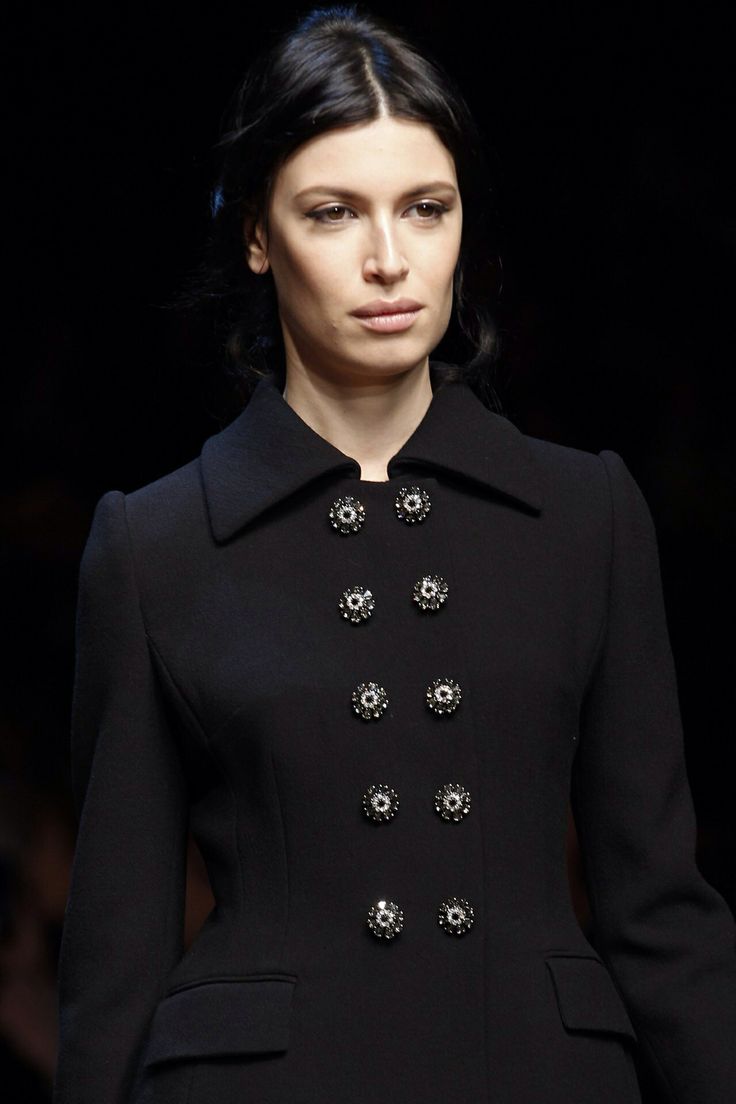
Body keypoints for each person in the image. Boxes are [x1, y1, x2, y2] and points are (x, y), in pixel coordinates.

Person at [52, 6, 736, 1103]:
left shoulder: (584, 517)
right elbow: (113, 964)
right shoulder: (156, 545)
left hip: (535, 1071)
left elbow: (660, 912)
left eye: (426, 208)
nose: (388, 260)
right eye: (333, 213)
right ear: (257, 236)